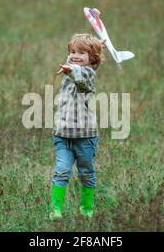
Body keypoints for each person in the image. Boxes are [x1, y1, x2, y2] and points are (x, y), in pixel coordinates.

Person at [50, 33, 105, 220]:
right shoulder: (71, 65)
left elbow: (79, 76)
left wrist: (69, 68)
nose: (74, 55)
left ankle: (86, 209)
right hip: (63, 135)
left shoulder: (87, 73)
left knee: (86, 174)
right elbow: (73, 63)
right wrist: (97, 46)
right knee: (61, 171)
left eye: (81, 53)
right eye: (72, 51)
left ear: (92, 58)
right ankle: (56, 210)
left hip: (85, 137)